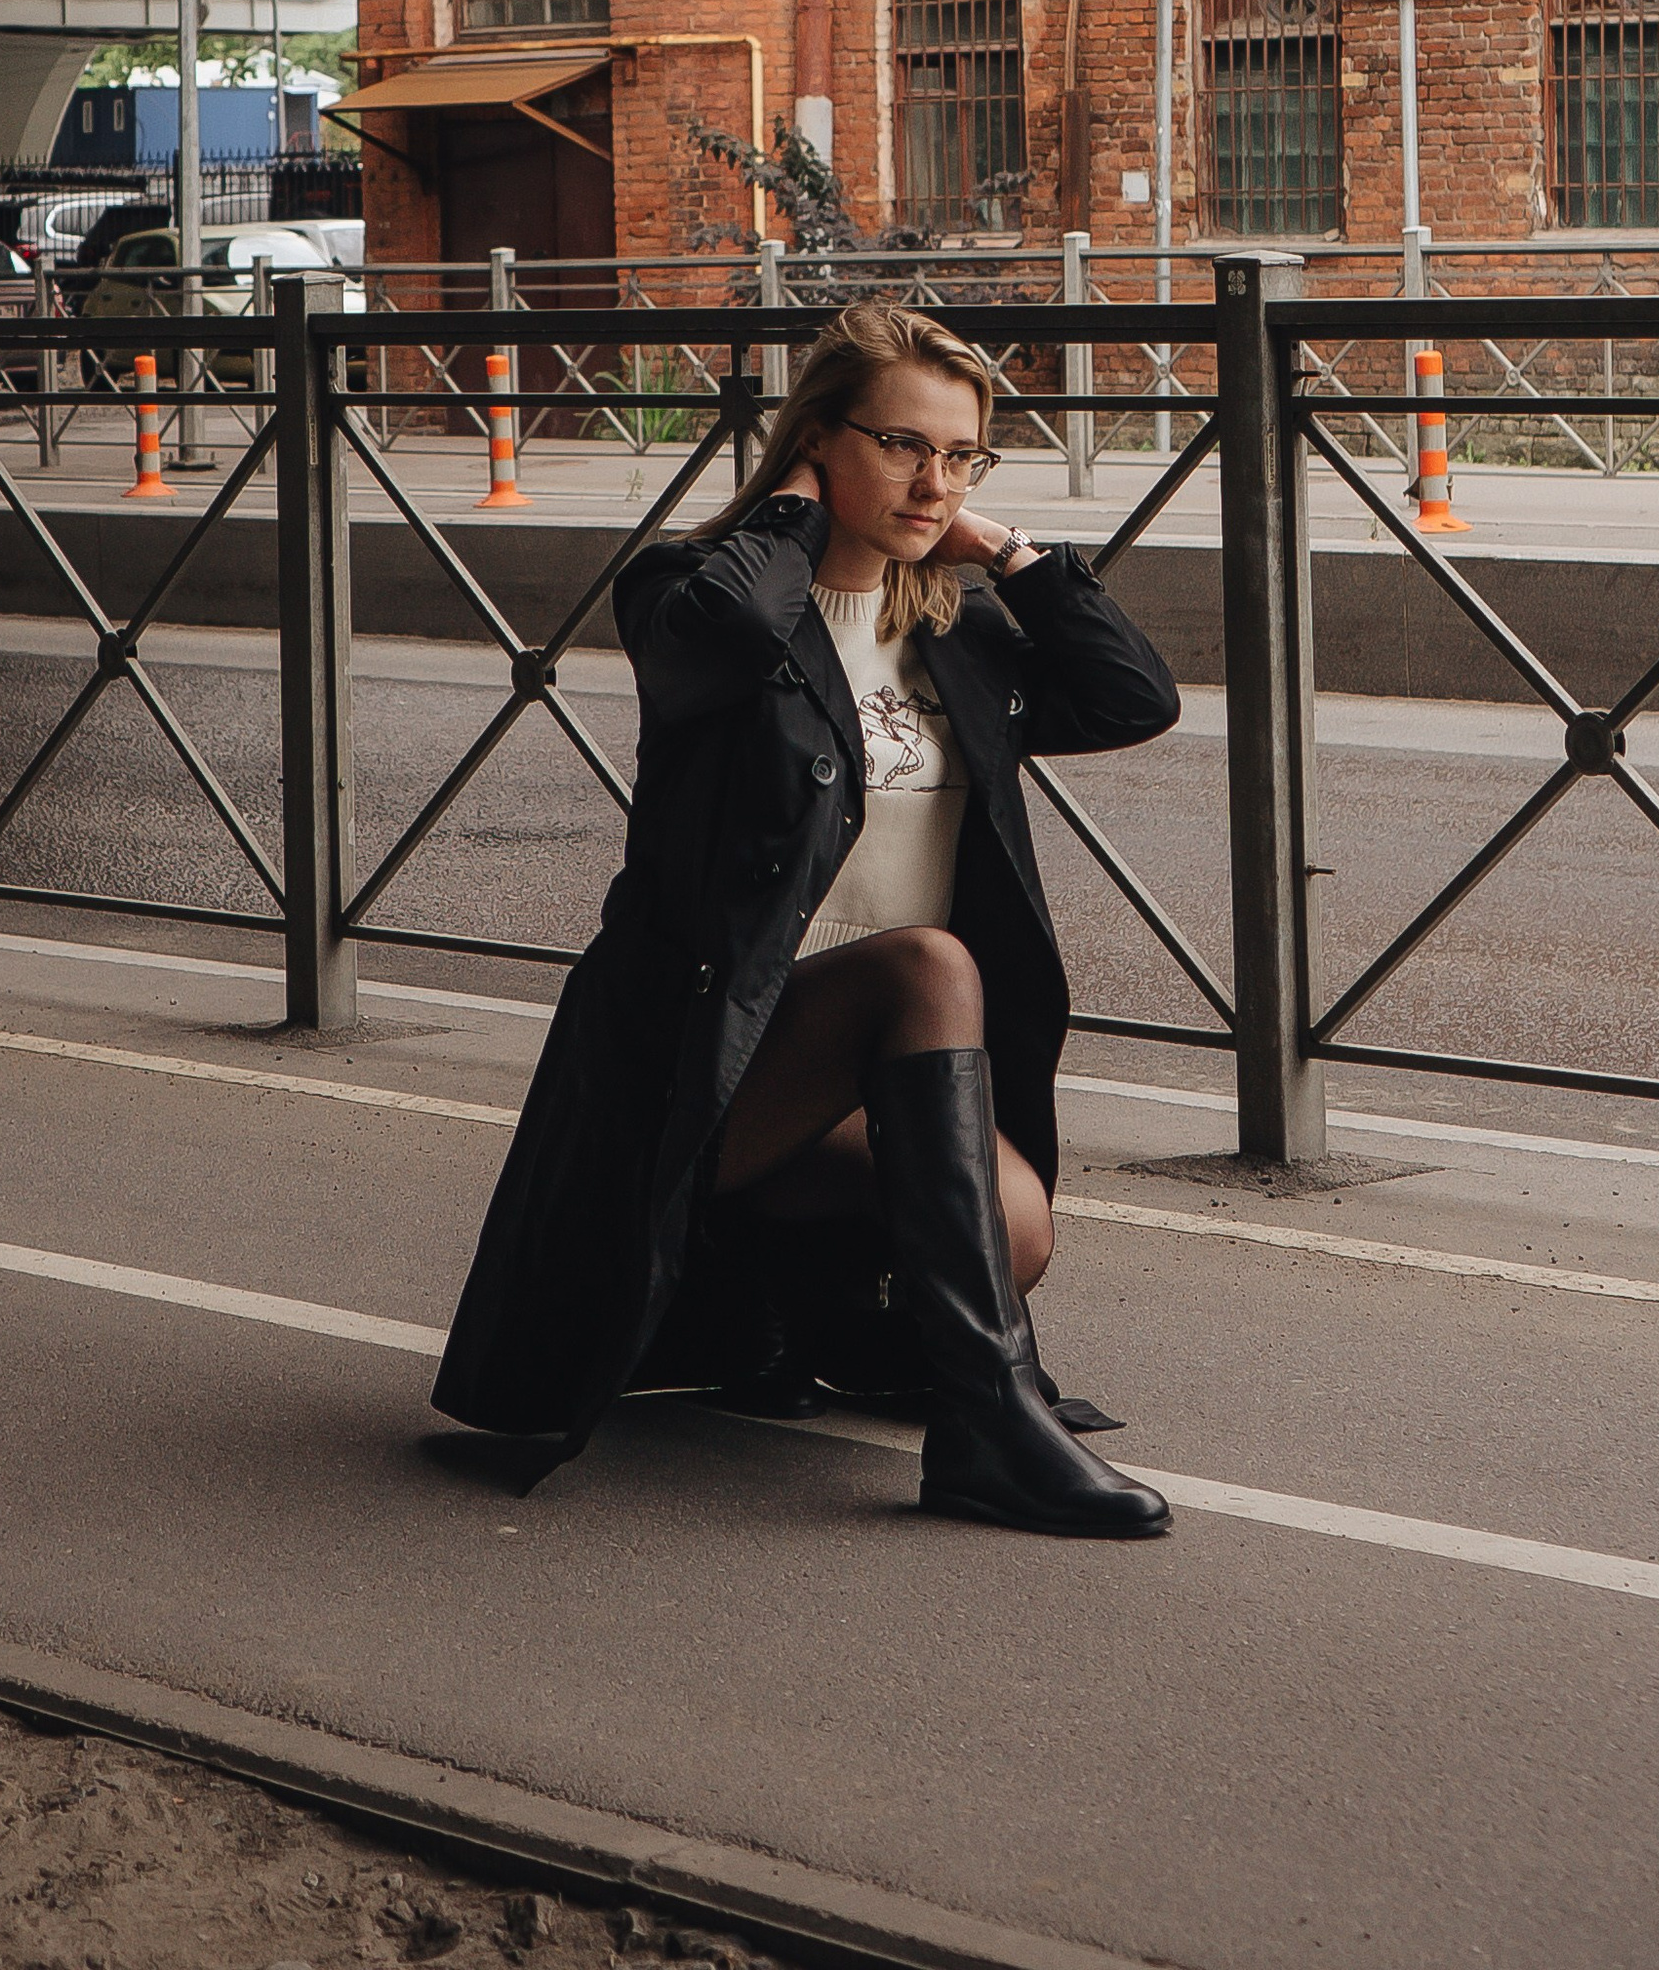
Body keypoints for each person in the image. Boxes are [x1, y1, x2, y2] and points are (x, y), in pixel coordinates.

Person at [434, 300, 1181, 1537]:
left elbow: (1132, 694)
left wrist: (995, 546)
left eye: (961, 455)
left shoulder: (957, 637)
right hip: (702, 1066)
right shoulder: (697, 601)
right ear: (817, 442)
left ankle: (769, 1296)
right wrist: (786, 504)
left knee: (1020, 1230)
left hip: (874, 1077)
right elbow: (723, 630)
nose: (932, 480)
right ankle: (983, 1427)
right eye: (900, 446)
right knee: (928, 967)